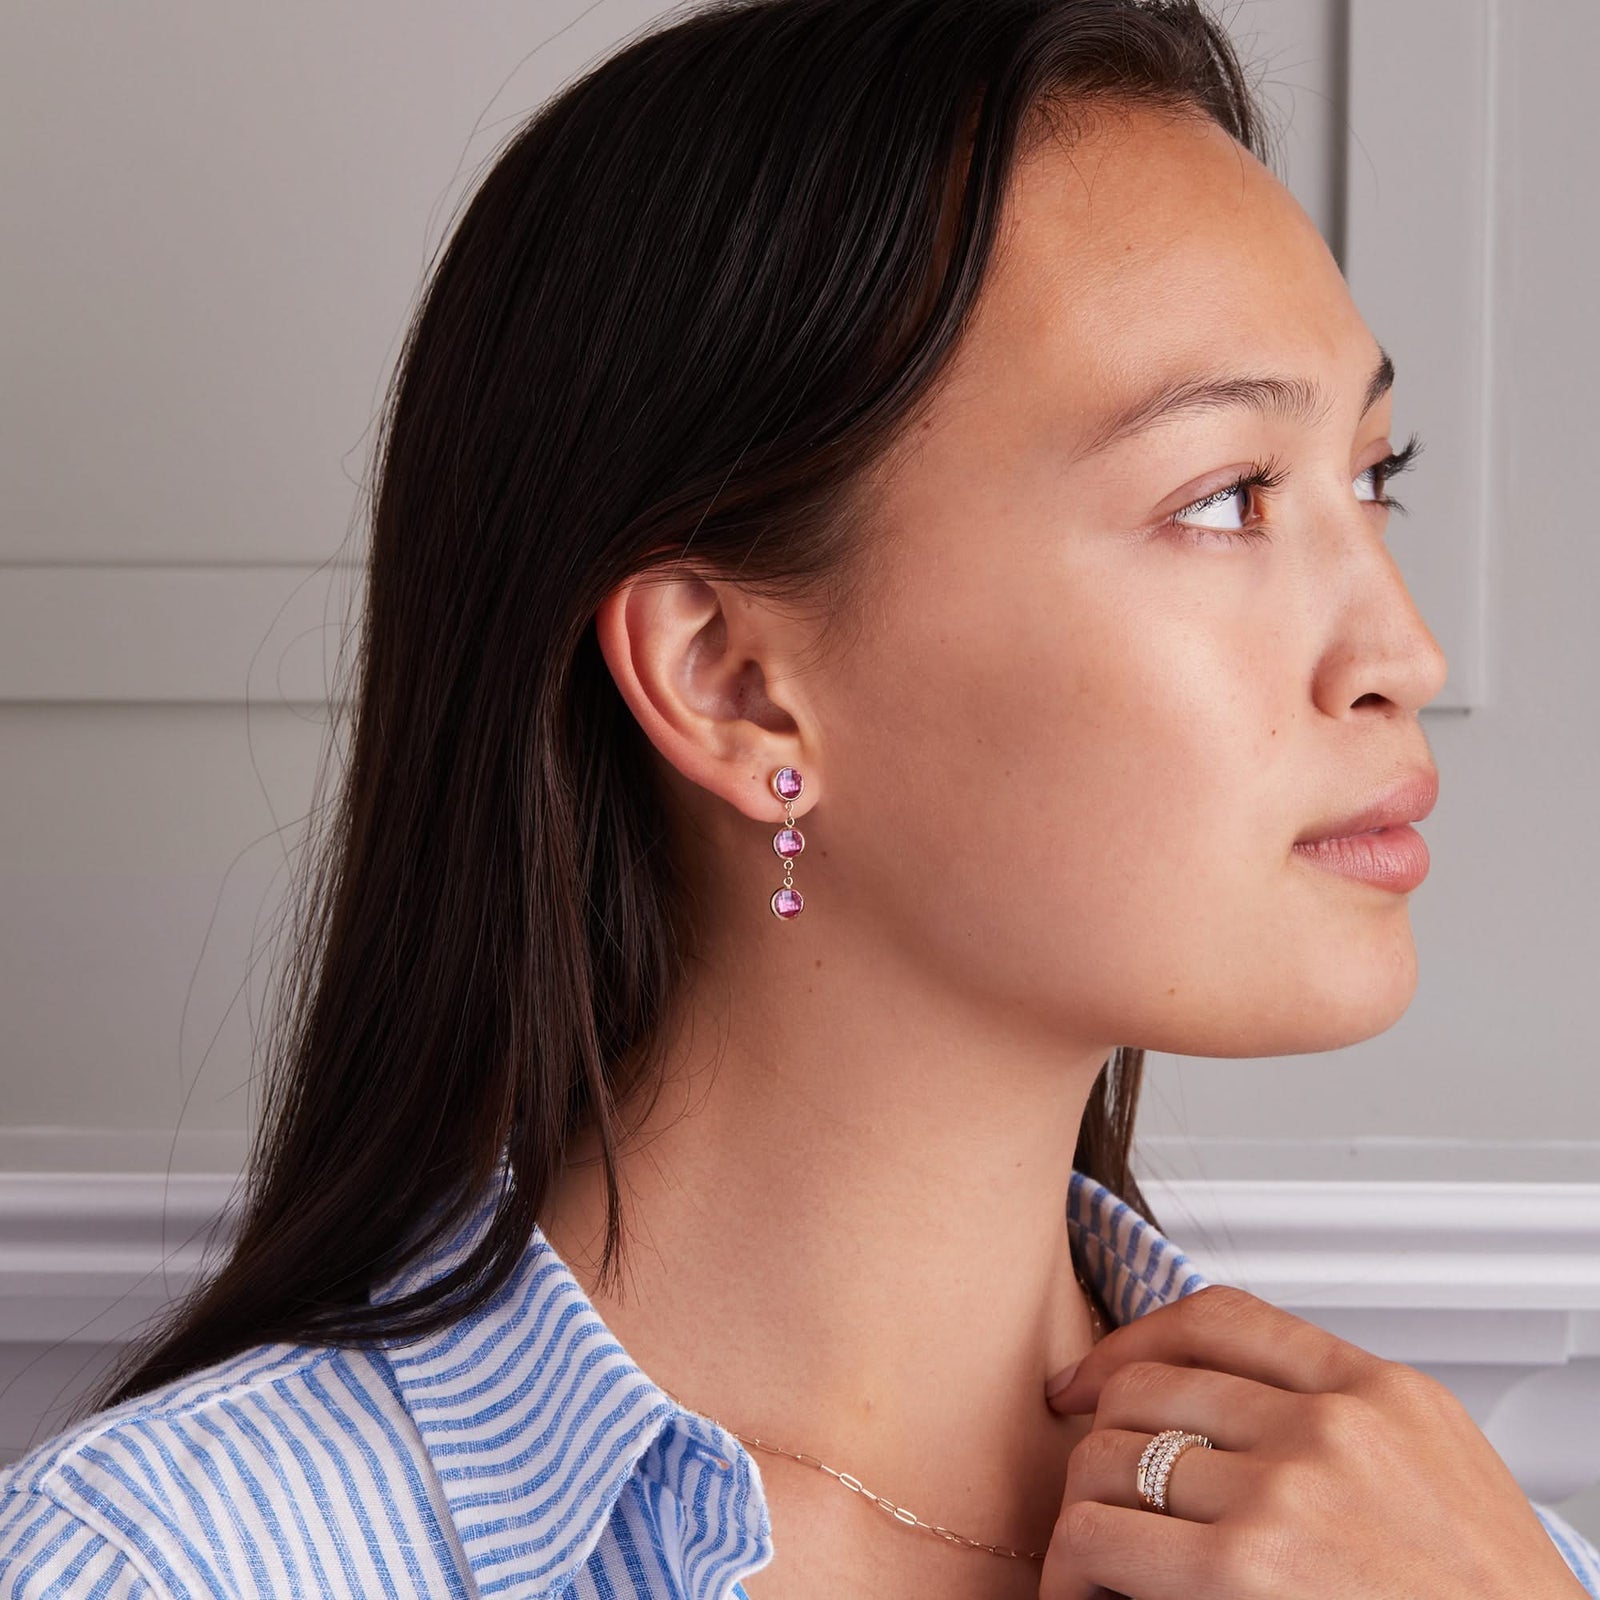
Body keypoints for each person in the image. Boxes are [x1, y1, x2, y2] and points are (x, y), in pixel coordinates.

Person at [3, 0, 1598, 1595]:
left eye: (1373, 480)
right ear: (732, 682)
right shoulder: (165, 1566)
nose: (1403, 653)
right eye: (1227, 496)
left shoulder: (1474, 1568)